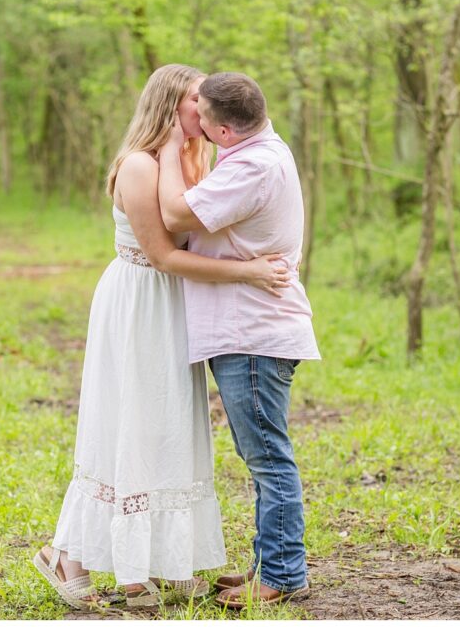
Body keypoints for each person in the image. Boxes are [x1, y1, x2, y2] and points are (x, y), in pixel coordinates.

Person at [33, 64, 292, 611]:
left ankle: (165, 561)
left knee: (172, 428)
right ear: (170, 107)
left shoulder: (199, 157)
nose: (206, 112)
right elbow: (163, 254)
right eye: (195, 101)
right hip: (140, 301)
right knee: (129, 422)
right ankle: (75, 556)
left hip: (177, 303)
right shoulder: (138, 165)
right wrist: (250, 272)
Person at [156, 71, 321, 608]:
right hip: (250, 326)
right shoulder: (255, 149)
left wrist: (165, 150)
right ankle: (267, 561)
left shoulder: (254, 166)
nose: (194, 124)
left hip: (252, 332)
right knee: (263, 453)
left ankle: (280, 573)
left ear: (225, 130)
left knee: (268, 456)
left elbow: (177, 214)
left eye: (201, 118)